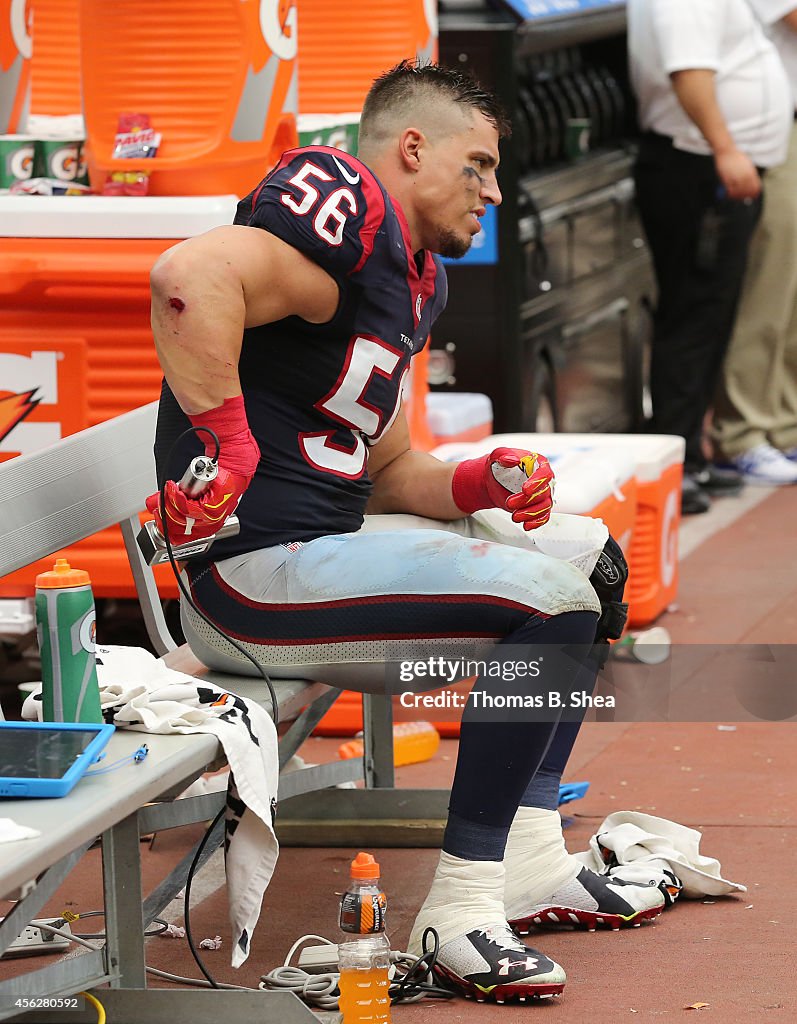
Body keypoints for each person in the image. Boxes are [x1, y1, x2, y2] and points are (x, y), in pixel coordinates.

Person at [146, 61, 662, 1004]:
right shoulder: (347, 205)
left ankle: (531, 856)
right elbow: (189, 275)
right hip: (251, 574)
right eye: (479, 165)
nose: (494, 191)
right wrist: (221, 438)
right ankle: (461, 907)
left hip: (319, 548)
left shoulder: (409, 276)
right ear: (411, 149)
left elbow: (388, 470)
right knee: (548, 607)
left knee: (592, 560)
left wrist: (478, 479)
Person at [627, 0, 793, 513]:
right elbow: (690, 72)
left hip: (713, 165)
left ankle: (693, 456)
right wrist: (725, 148)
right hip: (694, 164)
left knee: (712, 313)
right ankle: (678, 464)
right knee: (692, 317)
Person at [712, 0, 797, 486]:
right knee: (770, 283)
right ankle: (742, 433)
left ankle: (782, 425)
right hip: (769, 134)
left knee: (789, 289)